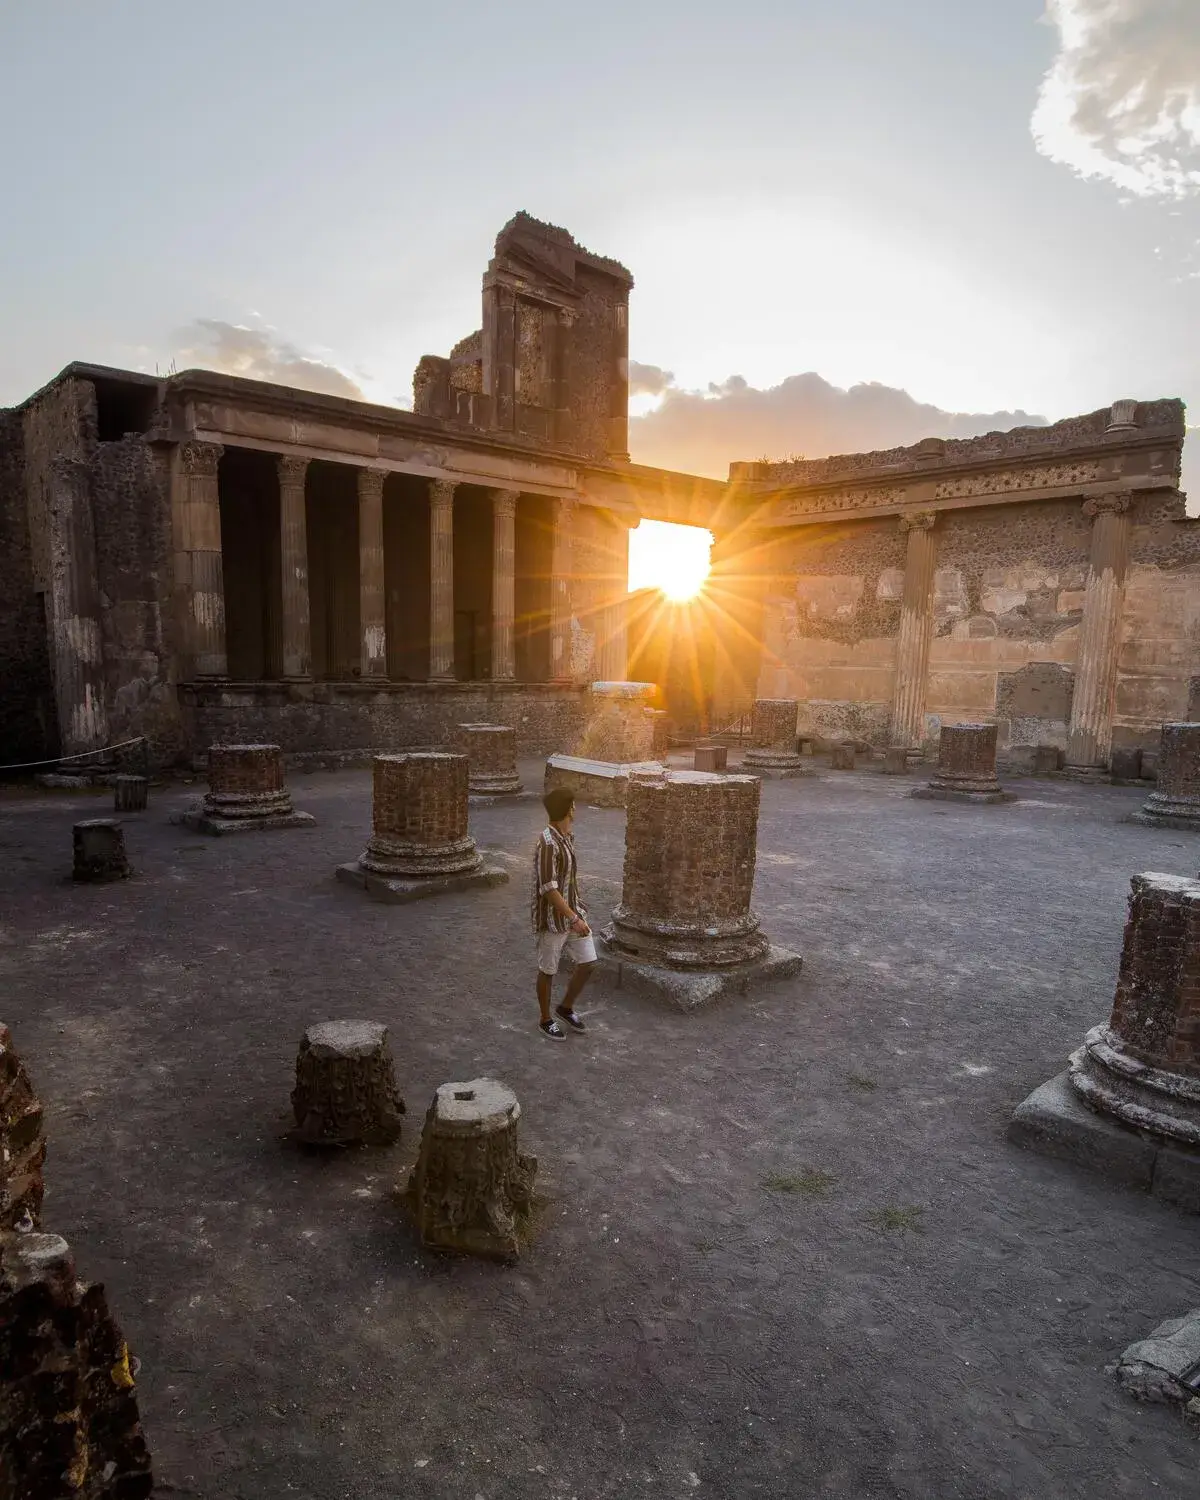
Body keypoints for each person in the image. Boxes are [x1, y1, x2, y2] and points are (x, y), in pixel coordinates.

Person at [532, 787, 595, 1039]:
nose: (575, 808)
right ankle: (545, 1019)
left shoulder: (567, 837)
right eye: (573, 805)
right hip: (553, 919)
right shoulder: (547, 842)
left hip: (572, 912)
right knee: (548, 970)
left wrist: (577, 906)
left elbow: (568, 878)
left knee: (588, 962)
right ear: (568, 809)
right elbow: (548, 888)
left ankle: (565, 1007)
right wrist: (573, 918)